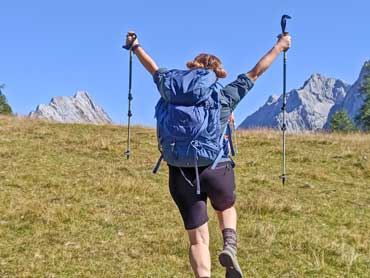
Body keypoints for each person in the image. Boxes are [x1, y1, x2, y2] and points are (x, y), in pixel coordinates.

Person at [125, 31, 291, 278]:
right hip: (216, 168)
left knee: (197, 241)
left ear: (193, 67)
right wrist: (280, 45)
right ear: (214, 73)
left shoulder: (170, 88)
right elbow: (256, 71)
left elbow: (152, 67)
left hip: (180, 172)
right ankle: (230, 245)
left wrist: (135, 46)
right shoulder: (222, 96)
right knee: (225, 208)